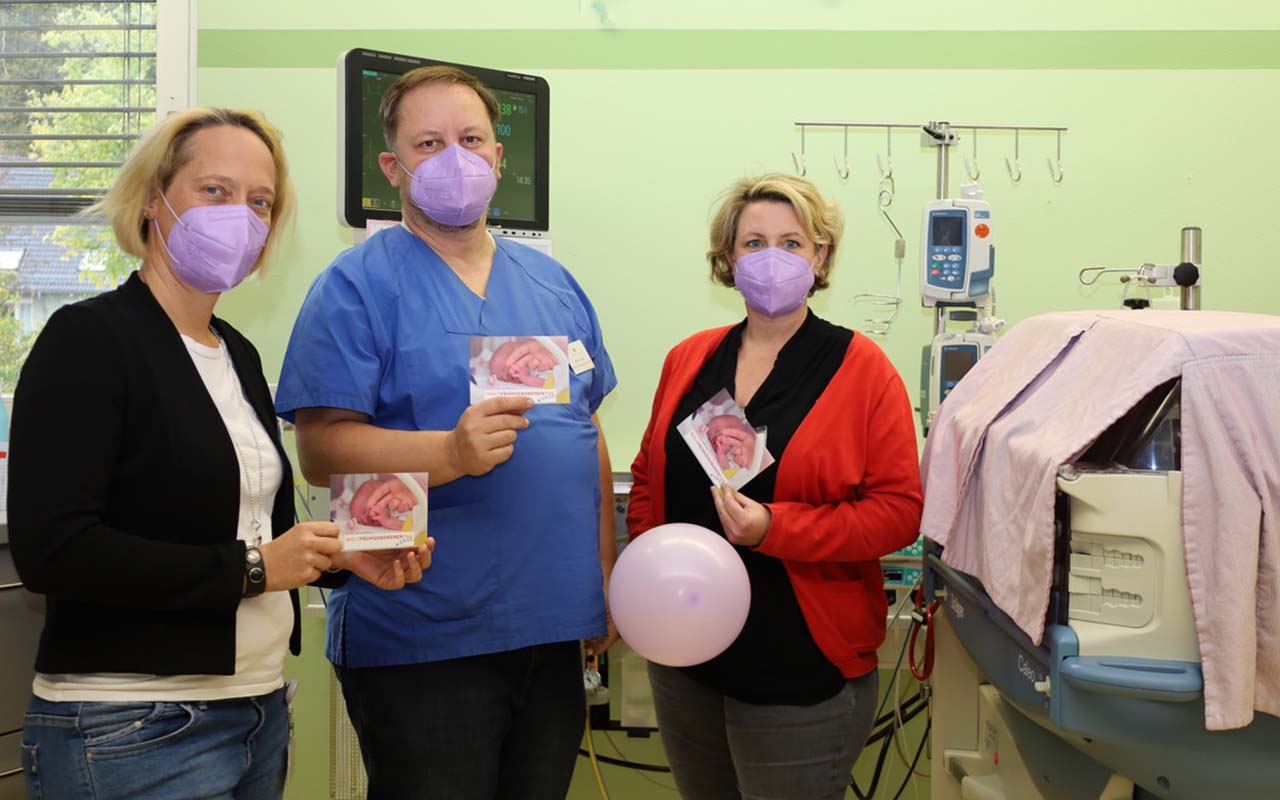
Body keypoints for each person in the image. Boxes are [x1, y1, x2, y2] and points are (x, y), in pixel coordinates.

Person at [8, 107, 431, 800]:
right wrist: (261, 567)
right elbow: (54, 550)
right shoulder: (88, 339)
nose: (240, 215)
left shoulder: (236, 352)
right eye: (215, 191)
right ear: (153, 199)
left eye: (259, 202)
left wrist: (335, 556)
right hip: (130, 727)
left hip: (255, 709)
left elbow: (245, 529)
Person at [274, 65, 618, 800]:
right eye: (429, 143)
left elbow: (584, 433)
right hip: (420, 626)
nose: (454, 158)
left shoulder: (552, 284)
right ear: (392, 167)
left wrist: (601, 582)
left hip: (551, 620)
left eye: (470, 139)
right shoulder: (356, 285)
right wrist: (448, 454)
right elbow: (320, 450)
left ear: (498, 159)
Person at [627, 173, 923, 800]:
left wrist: (775, 528)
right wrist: (645, 584)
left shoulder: (863, 371)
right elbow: (650, 477)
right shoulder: (690, 358)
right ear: (728, 260)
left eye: (792, 243)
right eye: (753, 242)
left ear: (820, 257)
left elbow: (898, 513)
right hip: (687, 659)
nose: (771, 258)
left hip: (799, 666)